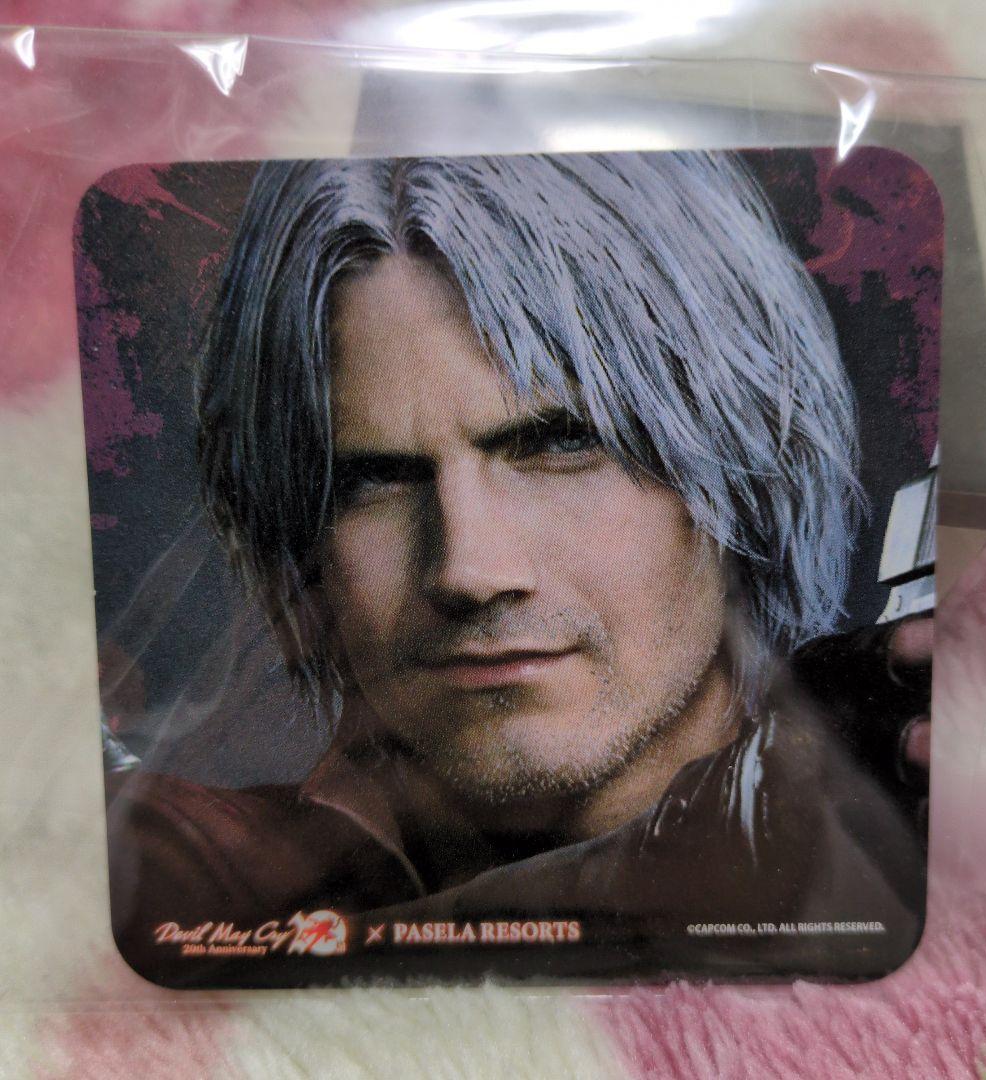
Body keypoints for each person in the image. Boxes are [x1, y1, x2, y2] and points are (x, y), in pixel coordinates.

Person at [105, 152, 931, 986]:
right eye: (373, 480)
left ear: (750, 474)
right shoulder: (184, 862)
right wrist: (671, 868)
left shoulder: (919, 834)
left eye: (559, 444)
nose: (469, 569)